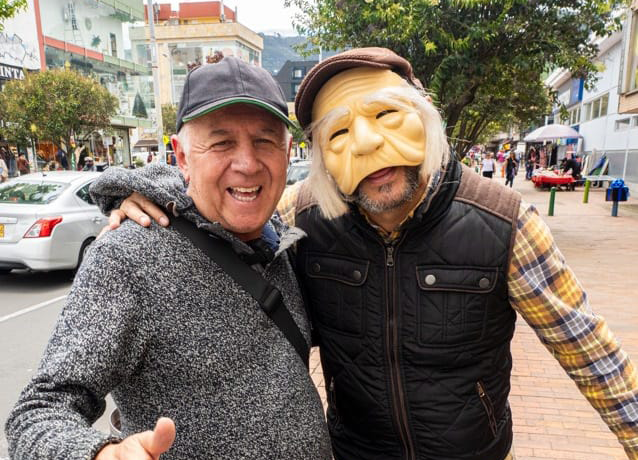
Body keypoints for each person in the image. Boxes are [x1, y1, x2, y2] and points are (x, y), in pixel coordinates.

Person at [96, 48, 638, 460]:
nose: (367, 144)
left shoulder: (503, 221)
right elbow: (225, 199)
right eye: (339, 133)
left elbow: (594, 356)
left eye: (387, 116)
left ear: (425, 116)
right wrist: (146, 197)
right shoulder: (303, 216)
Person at [5, 56, 331, 460]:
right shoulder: (129, 257)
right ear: (182, 156)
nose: (247, 164)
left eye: (265, 141)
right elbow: (37, 413)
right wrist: (99, 454)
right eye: (222, 143)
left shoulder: (282, 244)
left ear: (287, 152)